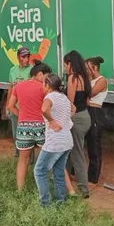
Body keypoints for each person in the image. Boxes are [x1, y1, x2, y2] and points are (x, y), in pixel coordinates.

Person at [7, 63, 51, 190]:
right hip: (40, 126)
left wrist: (21, 116)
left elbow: (10, 106)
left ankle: (20, 190)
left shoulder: (19, 86)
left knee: (23, 160)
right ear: (40, 74)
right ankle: (44, 188)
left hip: (23, 127)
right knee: (47, 158)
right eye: (46, 76)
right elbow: (47, 107)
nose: (46, 80)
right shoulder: (43, 88)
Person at [34, 74, 75, 206]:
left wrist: (52, 120)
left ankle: (45, 204)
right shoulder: (64, 97)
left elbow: (44, 109)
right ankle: (60, 202)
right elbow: (74, 108)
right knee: (58, 171)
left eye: (43, 84)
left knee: (39, 171)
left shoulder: (50, 96)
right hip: (67, 140)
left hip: (55, 142)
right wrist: (64, 119)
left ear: (48, 85)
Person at [63, 50, 92, 198]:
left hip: (76, 118)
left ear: (70, 64)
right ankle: (62, 181)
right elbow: (87, 101)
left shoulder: (72, 79)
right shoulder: (84, 78)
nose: (63, 67)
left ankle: (83, 189)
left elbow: (70, 103)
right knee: (69, 152)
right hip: (85, 116)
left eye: (64, 64)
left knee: (76, 154)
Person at [85, 56, 108, 185]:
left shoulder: (101, 80)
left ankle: (93, 177)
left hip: (95, 112)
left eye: (87, 67)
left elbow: (89, 94)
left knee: (94, 145)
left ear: (94, 68)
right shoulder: (89, 79)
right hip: (87, 110)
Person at [6, 47, 32, 158]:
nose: (26, 59)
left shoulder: (32, 70)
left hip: (27, 108)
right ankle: (17, 155)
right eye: (23, 57)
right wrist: (7, 106)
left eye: (27, 56)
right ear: (18, 57)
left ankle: (29, 160)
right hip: (15, 107)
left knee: (28, 135)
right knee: (16, 133)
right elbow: (10, 88)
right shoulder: (13, 70)